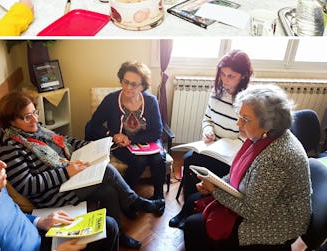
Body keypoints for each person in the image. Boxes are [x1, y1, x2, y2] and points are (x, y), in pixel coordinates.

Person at [0, 91, 165, 249]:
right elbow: (27, 185)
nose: (34, 120)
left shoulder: (35, 130)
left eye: (35, 113)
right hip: (54, 193)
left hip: (67, 177)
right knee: (108, 170)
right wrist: (66, 172)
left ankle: (120, 235)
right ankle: (136, 201)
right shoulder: (9, 146)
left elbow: (64, 140)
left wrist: (91, 146)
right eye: (26, 117)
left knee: (109, 192)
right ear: (11, 120)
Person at [183, 84, 311, 250]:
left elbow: (253, 212)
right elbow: (241, 174)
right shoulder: (263, 137)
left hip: (278, 221)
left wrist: (215, 189)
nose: (238, 123)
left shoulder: (276, 158)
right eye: (240, 116)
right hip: (261, 202)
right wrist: (216, 183)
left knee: (194, 226)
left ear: (267, 124)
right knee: (193, 201)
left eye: (245, 119)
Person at [0, 135, 119, 251]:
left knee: (107, 226)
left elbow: (15, 217)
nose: (3, 165)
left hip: (41, 237)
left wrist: (40, 221)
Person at [169, 49, 253, 229]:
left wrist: (228, 143)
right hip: (214, 145)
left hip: (231, 155)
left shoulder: (249, 101)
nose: (225, 79)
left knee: (204, 171)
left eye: (231, 76)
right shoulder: (217, 92)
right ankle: (188, 209)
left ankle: (192, 212)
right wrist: (208, 130)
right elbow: (207, 118)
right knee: (190, 160)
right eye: (223, 74)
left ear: (243, 76)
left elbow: (248, 137)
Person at [85, 61, 167, 202]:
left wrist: (132, 140)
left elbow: (157, 131)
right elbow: (93, 125)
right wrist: (112, 135)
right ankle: (126, 198)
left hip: (147, 142)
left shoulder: (151, 101)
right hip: (120, 144)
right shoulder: (111, 100)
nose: (128, 87)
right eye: (125, 82)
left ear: (142, 86)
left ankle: (159, 197)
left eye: (134, 84)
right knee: (140, 161)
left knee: (158, 158)